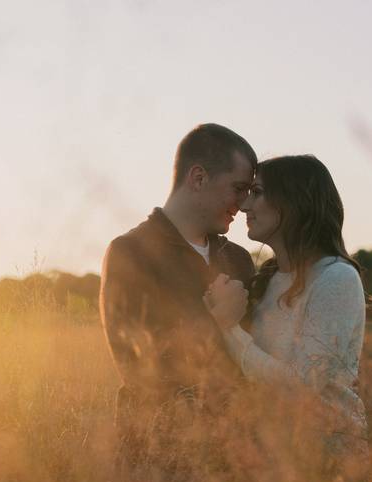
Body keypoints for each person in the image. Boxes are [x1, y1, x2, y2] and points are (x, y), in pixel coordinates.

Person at [99, 123, 257, 457]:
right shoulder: (130, 253)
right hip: (156, 459)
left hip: (234, 458)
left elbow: (252, 365)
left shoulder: (239, 260)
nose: (243, 205)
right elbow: (139, 368)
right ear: (198, 178)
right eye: (238, 188)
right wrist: (217, 322)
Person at [205, 154, 369, 468]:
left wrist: (227, 327)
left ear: (293, 201)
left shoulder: (336, 277)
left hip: (328, 461)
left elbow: (302, 387)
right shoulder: (266, 279)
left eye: (257, 193)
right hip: (270, 460)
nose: (244, 206)